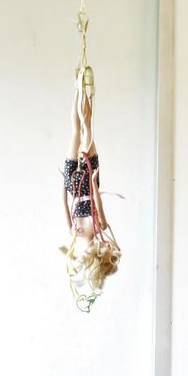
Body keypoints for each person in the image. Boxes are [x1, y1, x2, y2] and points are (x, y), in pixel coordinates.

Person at [60, 70, 121, 310]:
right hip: (86, 180)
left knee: (80, 131)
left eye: (104, 250)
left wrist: (63, 186)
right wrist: (93, 180)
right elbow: (97, 202)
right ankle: (85, 92)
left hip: (75, 183)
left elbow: (65, 204)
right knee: (86, 128)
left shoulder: (76, 232)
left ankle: (78, 90)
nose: (106, 245)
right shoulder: (100, 227)